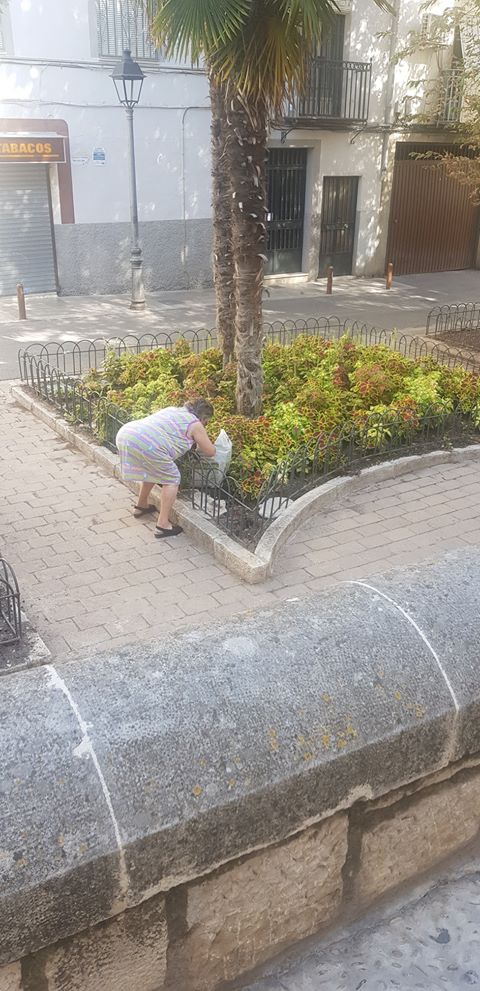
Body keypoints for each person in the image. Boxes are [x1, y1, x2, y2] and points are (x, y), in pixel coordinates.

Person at [116, 399, 216, 539]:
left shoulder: (172, 410)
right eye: (207, 422)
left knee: (153, 470)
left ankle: (141, 506)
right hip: (147, 444)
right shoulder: (195, 424)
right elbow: (210, 451)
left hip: (127, 433)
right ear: (203, 417)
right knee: (172, 478)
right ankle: (163, 525)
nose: (206, 425)